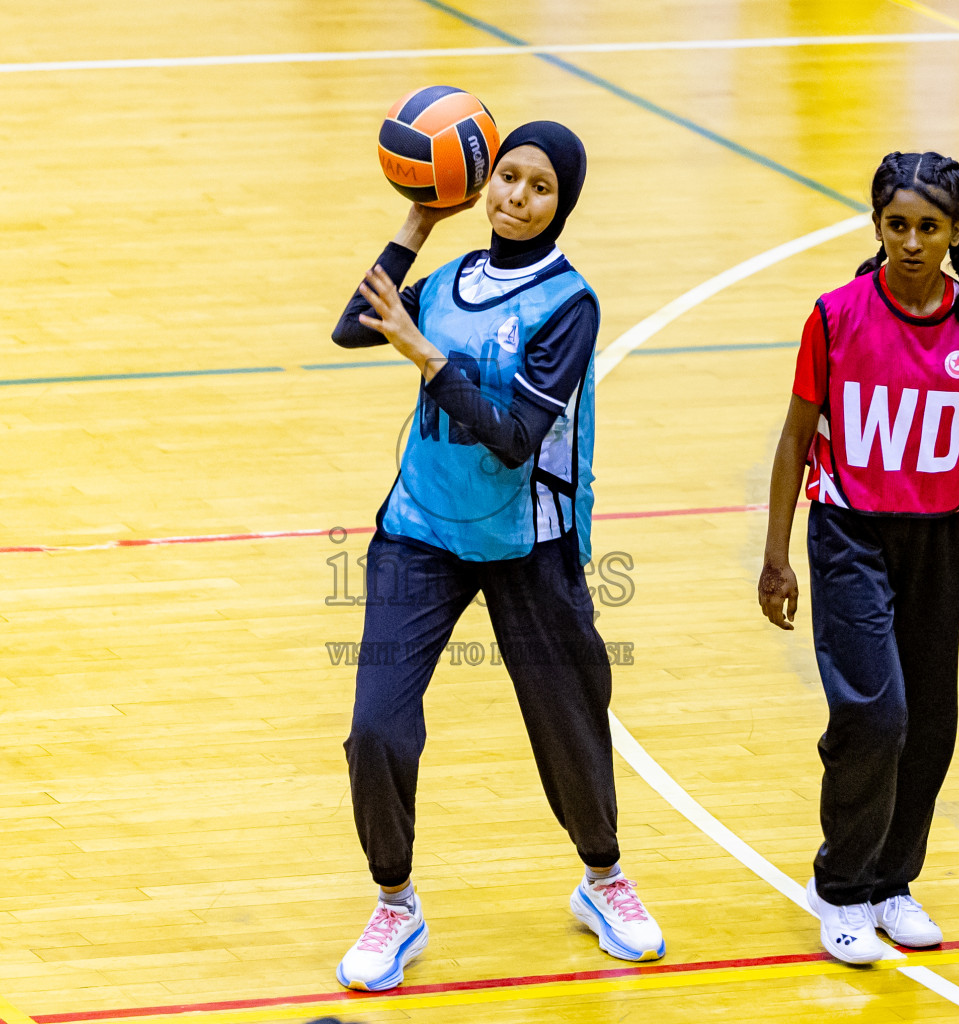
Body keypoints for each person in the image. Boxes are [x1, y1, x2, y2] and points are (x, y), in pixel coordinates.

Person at [328, 121, 664, 992]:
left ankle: (604, 879)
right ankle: (395, 904)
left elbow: (517, 437)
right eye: (506, 177)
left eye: (538, 186)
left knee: (569, 724)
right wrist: (416, 223)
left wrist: (426, 353)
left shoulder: (568, 304)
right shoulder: (448, 278)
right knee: (376, 728)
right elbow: (347, 328)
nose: (516, 196)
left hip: (529, 543)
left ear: (564, 203)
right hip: (419, 532)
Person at [758, 152, 959, 964]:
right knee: (875, 713)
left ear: (957, 233)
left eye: (929, 227)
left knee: (930, 723)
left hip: (939, 536)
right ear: (877, 226)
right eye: (896, 224)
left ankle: (892, 881)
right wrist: (776, 557)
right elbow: (797, 437)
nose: (911, 241)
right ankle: (840, 886)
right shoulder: (836, 316)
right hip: (849, 532)